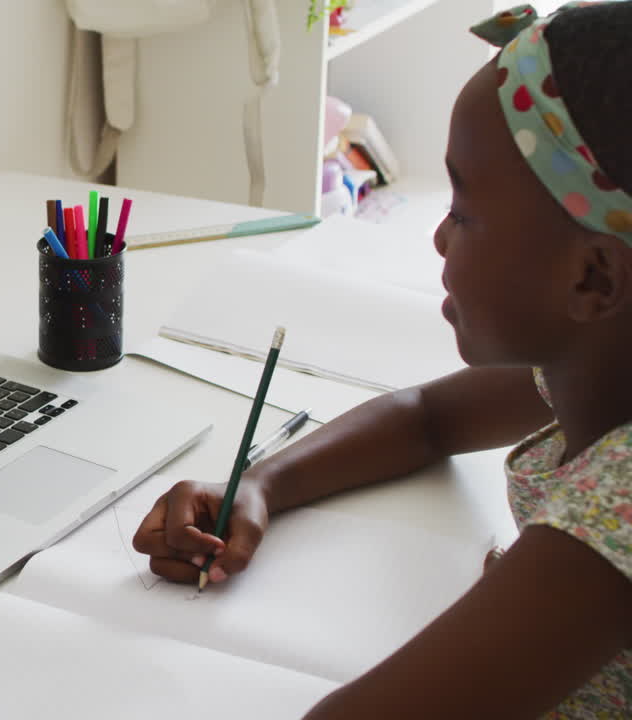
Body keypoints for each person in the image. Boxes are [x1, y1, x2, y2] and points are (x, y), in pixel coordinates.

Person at [132, 3, 632, 717]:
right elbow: (426, 417)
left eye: (463, 211)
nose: (437, 237)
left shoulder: (612, 519)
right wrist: (262, 485)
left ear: (594, 279)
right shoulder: (600, 359)